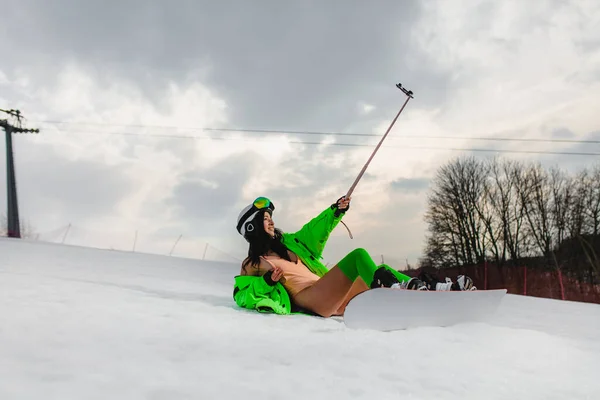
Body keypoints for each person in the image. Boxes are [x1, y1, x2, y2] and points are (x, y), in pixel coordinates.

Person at [233, 196, 474, 318]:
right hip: (311, 299)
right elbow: (241, 294)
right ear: (252, 228)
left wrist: (335, 211)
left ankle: (435, 289)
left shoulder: (290, 244)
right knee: (358, 256)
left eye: (270, 217)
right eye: (265, 219)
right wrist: (267, 282)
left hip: (326, 291)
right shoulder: (253, 263)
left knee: (380, 269)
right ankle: (394, 290)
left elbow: (313, 230)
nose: (271, 221)